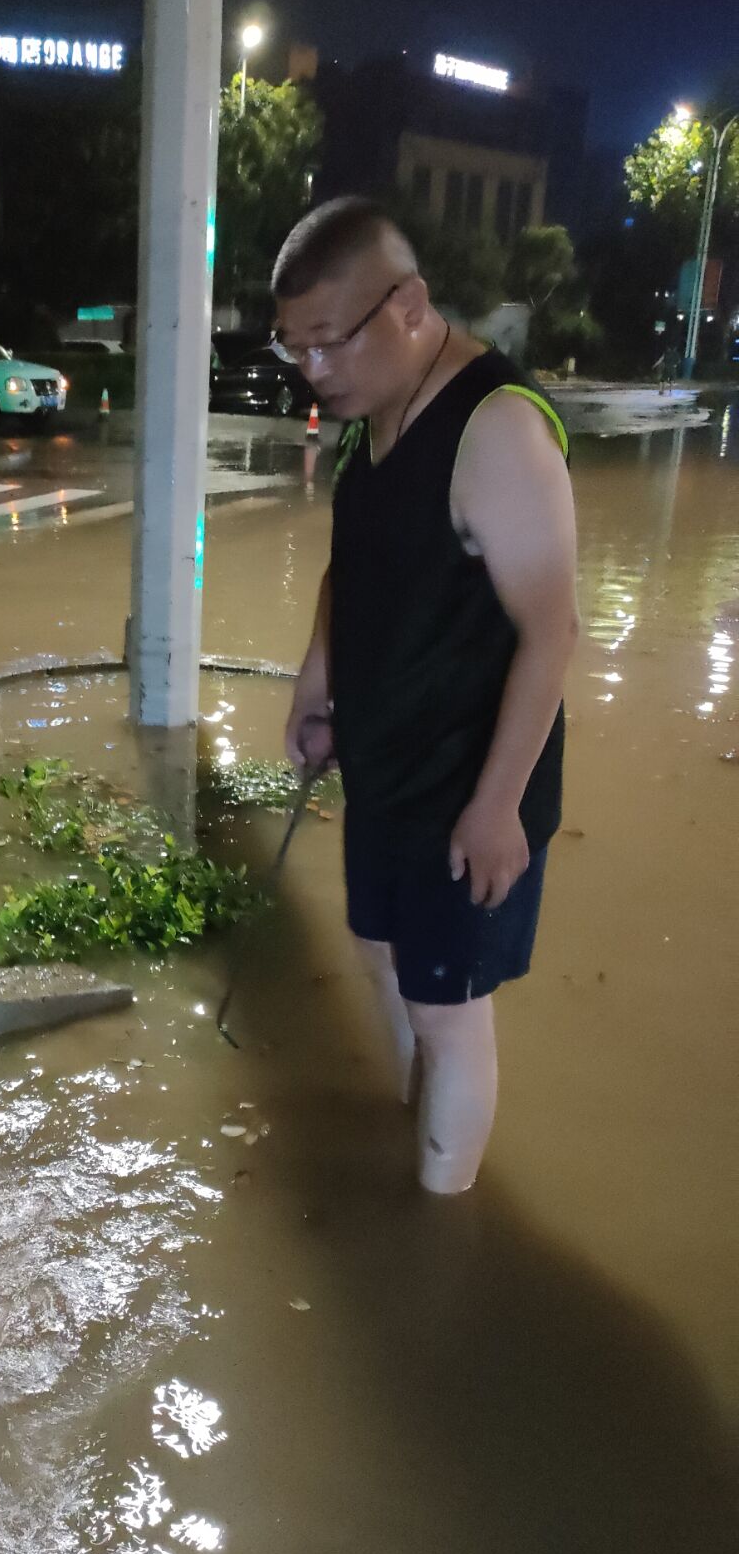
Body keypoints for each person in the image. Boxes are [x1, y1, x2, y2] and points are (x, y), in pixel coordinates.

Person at [272, 199, 578, 1194]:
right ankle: (411, 1136)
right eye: (295, 349)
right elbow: (351, 569)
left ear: (407, 306)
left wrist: (497, 808)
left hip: (467, 788)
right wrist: (317, 685)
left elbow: (552, 631)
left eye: (329, 342)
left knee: (449, 1012)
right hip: (385, 768)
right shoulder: (371, 421)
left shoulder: (498, 430)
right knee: (379, 952)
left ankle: (442, 1220)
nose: (314, 370)